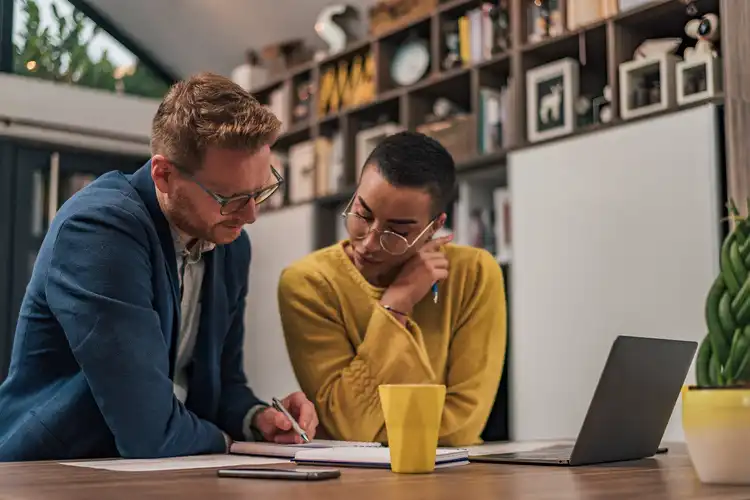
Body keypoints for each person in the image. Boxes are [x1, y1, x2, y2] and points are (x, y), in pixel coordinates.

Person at [0, 72, 318, 462]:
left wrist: (258, 420)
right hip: (54, 471)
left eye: (262, 191)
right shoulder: (99, 230)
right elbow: (147, 430)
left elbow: (221, 384)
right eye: (231, 198)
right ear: (164, 175)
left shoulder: (230, 244)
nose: (251, 215)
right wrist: (229, 442)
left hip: (163, 467)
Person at [277, 131, 507, 447]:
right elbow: (346, 428)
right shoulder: (308, 283)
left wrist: (377, 433)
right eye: (362, 214)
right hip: (351, 481)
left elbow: (462, 427)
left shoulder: (475, 274)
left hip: (456, 477)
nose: (369, 242)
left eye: (397, 231)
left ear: (435, 226)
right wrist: (395, 306)